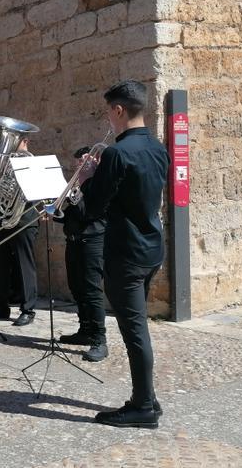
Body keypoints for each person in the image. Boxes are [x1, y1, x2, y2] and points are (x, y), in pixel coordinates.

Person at [79, 80, 169, 429]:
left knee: (134, 330)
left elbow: (92, 209)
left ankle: (143, 406)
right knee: (137, 325)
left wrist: (88, 176)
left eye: (109, 113)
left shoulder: (116, 153)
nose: (108, 120)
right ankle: (146, 397)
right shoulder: (157, 147)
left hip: (125, 254)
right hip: (151, 248)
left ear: (118, 110)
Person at [52, 146, 108, 362]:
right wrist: (55, 213)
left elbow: (88, 213)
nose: (78, 168)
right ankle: (85, 330)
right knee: (76, 287)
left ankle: (99, 340)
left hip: (93, 242)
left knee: (91, 291)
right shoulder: (78, 185)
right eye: (77, 164)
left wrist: (82, 184)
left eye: (83, 163)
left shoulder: (100, 185)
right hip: (74, 242)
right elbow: (72, 216)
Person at [0, 137, 39, 327]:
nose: (7, 142)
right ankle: (0, 306)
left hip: (23, 218)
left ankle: (28, 309)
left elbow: (36, 191)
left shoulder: (32, 162)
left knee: (24, 264)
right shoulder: (4, 163)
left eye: (14, 138)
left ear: (25, 139)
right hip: (1, 217)